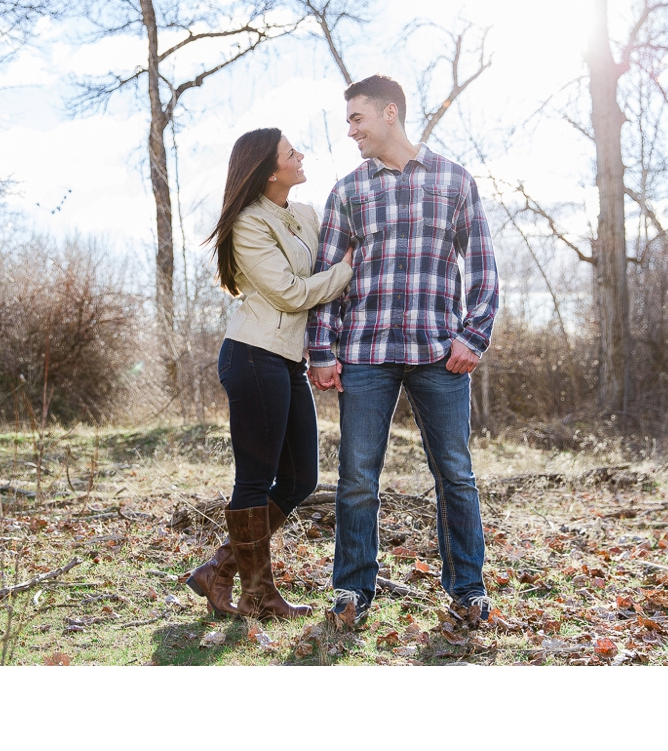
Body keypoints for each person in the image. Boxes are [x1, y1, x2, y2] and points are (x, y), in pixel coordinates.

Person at [307, 74, 499, 630]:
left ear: (389, 113)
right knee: (357, 477)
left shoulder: (453, 181)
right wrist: (322, 349)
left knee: (456, 475)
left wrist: (474, 335)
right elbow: (327, 279)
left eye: (357, 119)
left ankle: (468, 590)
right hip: (365, 353)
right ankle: (351, 592)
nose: (350, 131)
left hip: (440, 354)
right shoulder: (348, 191)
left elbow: (483, 264)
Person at [185, 127, 354, 620]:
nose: (300, 155)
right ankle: (258, 594)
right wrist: (346, 269)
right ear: (267, 169)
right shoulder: (247, 224)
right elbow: (291, 293)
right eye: (289, 152)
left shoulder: (304, 214)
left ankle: (220, 567)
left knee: (301, 477)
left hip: (287, 359)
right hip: (253, 355)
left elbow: (317, 277)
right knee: (256, 479)